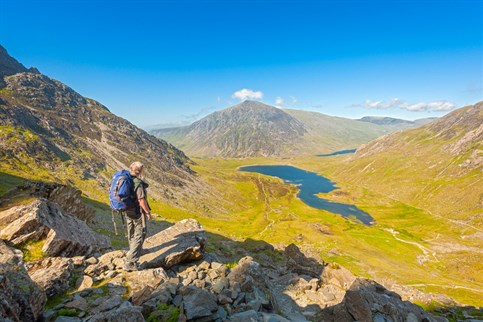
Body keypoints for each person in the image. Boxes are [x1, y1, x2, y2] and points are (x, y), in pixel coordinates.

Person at [124, 161, 151, 271]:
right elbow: (141, 200)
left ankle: (134, 250)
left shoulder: (126, 179)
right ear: (139, 171)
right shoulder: (137, 183)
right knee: (140, 234)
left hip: (127, 210)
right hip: (137, 211)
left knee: (131, 232)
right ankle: (131, 262)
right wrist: (148, 212)